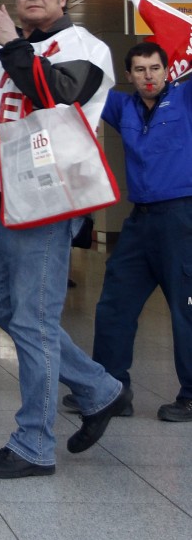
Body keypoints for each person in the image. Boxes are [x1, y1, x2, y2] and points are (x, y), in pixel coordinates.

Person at [0, 0, 130, 478]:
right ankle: (99, 389)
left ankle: (34, 443)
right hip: (0, 196)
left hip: (46, 197)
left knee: (36, 320)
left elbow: (58, 94)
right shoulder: (6, 56)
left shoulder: (84, 46)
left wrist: (10, 44)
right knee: (3, 304)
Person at [64, 42, 192, 423]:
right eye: (139, 69)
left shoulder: (185, 98)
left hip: (182, 219)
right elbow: (84, 89)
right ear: (130, 75)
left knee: (185, 309)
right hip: (139, 223)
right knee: (114, 305)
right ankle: (109, 389)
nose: (148, 75)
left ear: (168, 70)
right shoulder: (123, 107)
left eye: (155, 68)